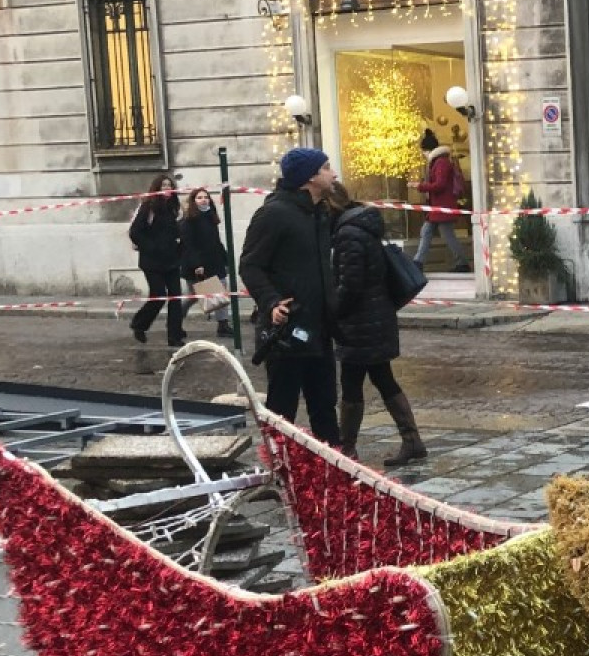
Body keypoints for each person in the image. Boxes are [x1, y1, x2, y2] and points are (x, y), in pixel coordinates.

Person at [239, 148, 340, 446]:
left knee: (325, 408)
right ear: (310, 177)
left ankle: (333, 477)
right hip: (287, 332)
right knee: (282, 413)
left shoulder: (319, 212)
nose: (333, 174)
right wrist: (270, 301)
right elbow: (250, 265)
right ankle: (279, 472)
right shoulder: (274, 213)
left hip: (319, 330)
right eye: (326, 168)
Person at [324, 182, 427, 468]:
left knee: (353, 383)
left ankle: (348, 448)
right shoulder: (359, 226)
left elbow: (351, 285)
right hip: (374, 317)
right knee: (381, 378)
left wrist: (333, 312)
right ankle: (411, 440)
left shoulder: (348, 234)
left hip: (360, 322)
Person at [126, 174, 186, 346]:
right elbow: (135, 232)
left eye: (169, 185)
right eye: (163, 185)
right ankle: (140, 324)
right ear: (157, 188)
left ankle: (174, 336)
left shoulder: (175, 209)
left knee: (175, 298)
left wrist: (179, 246)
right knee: (158, 295)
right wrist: (152, 247)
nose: (167, 188)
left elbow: (178, 231)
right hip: (152, 262)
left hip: (172, 261)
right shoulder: (148, 208)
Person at [178, 187, 234, 339]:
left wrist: (226, 259)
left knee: (220, 293)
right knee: (194, 296)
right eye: (199, 197)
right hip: (197, 266)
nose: (204, 200)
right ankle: (176, 321)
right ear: (193, 201)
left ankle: (223, 325)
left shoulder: (211, 217)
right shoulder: (188, 221)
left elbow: (216, 241)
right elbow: (188, 245)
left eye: (206, 197)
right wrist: (197, 264)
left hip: (214, 262)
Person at [413, 128, 470, 272]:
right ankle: (418, 262)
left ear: (428, 150)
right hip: (438, 208)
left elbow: (440, 185)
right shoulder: (440, 161)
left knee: (446, 235)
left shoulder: (441, 163)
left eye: (423, 151)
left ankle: (462, 263)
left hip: (441, 207)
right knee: (428, 232)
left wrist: (419, 186)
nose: (423, 155)